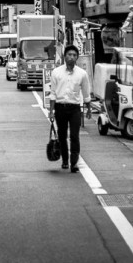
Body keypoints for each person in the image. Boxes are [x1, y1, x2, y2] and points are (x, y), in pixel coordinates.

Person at [48, 45, 92, 173]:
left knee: (74, 136)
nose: (71, 57)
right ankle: (65, 161)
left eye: (74, 55)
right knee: (62, 135)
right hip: (60, 107)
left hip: (75, 109)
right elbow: (53, 93)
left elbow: (86, 93)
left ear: (77, 57)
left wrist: (89, 109)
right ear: (64, 56)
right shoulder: (56, 72)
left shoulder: (82, 74)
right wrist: (51, 111)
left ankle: (74, 163)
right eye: (69, 55)